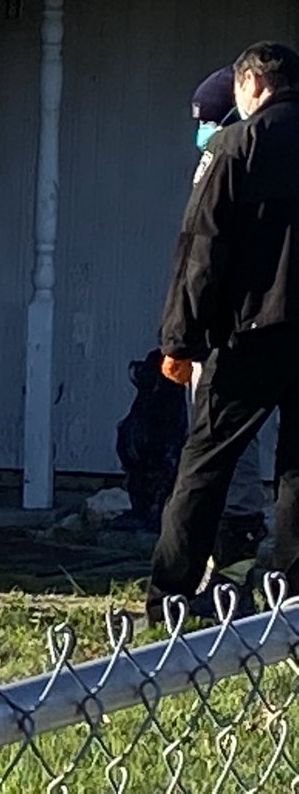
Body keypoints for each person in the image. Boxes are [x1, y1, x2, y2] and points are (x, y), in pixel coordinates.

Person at [148, 41, 299, 623]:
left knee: (205, 464)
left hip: (251, 332)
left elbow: (200, 253)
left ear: (252, 86)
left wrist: (178, 341)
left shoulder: (235, 146)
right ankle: (288, 591)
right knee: (298, 468)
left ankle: (173, 595)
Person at [185, 66, 270, 591]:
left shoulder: (244, 157)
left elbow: (205, 253)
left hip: (238, 330)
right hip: (222, 325)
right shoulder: (221, 157)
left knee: (226, 452)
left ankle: (233, 569)